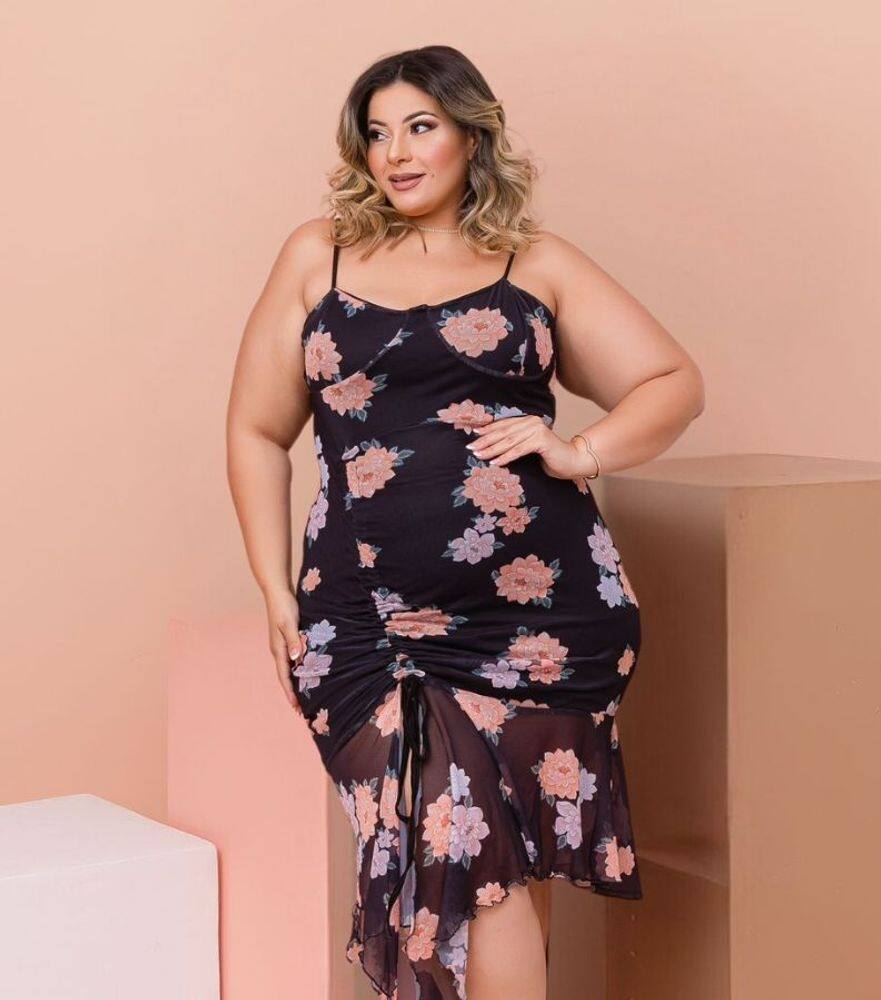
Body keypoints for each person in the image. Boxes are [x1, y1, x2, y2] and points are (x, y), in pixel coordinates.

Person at [227, 44, 704, 1000]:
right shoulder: (316, 255)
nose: (396, 153)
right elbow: (255, 430)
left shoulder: (537, 263)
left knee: (495, 868)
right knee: (464, 853)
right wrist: (275, 592)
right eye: (377, 134)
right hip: (365, 622)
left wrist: (579, 451)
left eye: (420, 127)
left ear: (471, 135)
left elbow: (672, 381)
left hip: (540, 624)